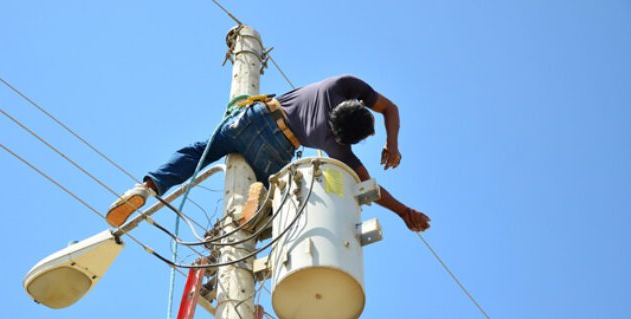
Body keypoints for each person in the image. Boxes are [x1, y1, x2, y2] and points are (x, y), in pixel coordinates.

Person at [106, 75, 431, 232]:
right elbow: (369, 187)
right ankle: (253, 205)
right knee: (271, 214)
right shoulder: (337, 147)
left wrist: (393, 143)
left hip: (257, 119)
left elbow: (389, 107)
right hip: (276, 151)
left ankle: (146, 188)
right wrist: (403, 212)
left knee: (199, 152)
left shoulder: (342, 84)